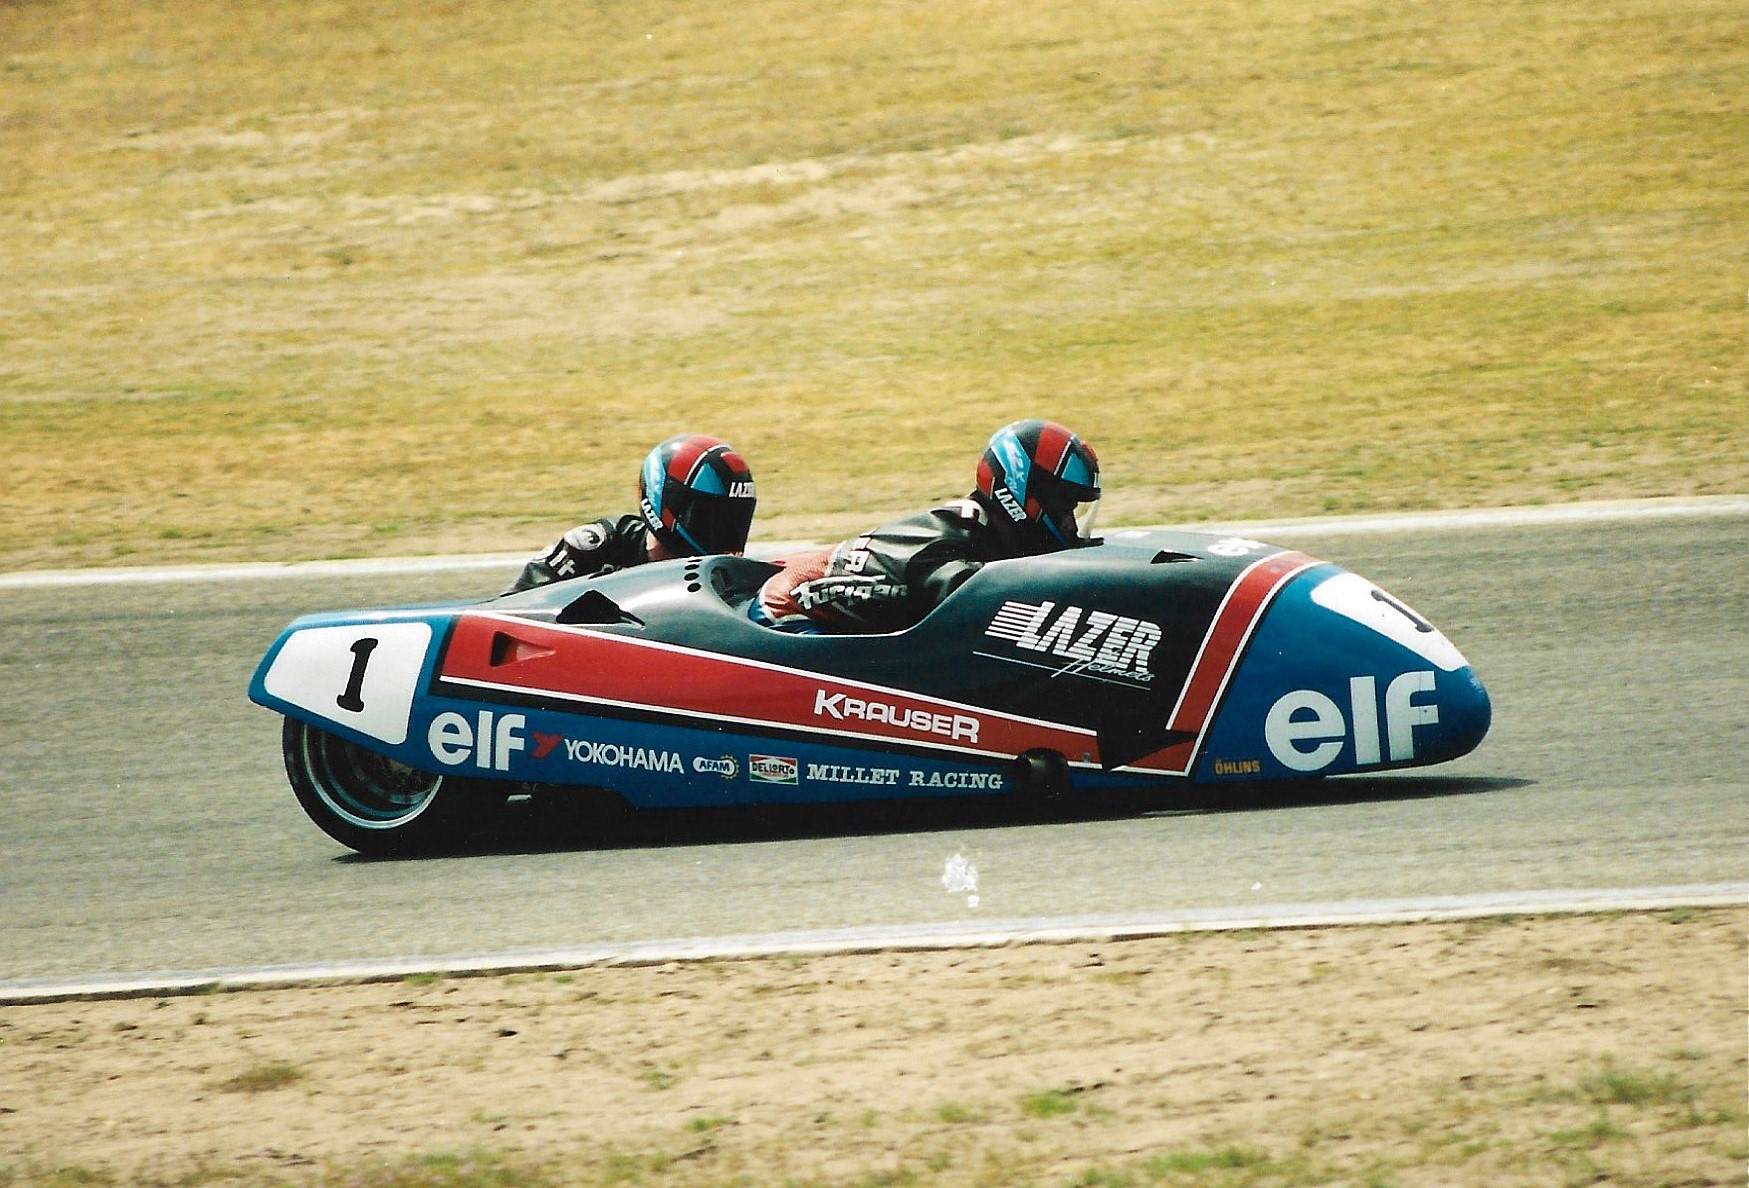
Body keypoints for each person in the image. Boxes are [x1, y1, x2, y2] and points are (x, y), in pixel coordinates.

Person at [754, 419, 1100, 633]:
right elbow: (979, 608)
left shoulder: (987, 532)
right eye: (1063, 508)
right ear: (1023, 497)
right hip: (786, 617)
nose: (1071, 525)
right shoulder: (947, 543)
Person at [503, 433, 756, 594]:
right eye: (713, 518)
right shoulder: (592, 549)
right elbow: (508, 614)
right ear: (667, 503)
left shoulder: (727, 577)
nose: (724, 534)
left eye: (734, 521)